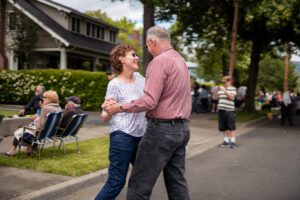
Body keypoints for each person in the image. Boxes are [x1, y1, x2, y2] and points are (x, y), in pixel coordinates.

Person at [102, 26, 191, 200]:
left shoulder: (158, 62)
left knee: (139, 184)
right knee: (176, 181)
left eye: (146, 46)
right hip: (182, 129)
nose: (145, 51)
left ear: (152, 42)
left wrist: (120, 107)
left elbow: (149, 101)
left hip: (161, 131)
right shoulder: (180, 60)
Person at [95, 44, 146, 200]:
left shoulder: (141, 79)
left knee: (142, 179)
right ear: (121, 59)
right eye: (132, 55)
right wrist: (107, 109)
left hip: (141, 136)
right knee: (116, 182)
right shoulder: (114, 84)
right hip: (122, 137)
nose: (137, 57)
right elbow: (105, 116)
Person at [4, 90, 61, 157]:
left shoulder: (45, 108)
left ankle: (12, 151)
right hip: (49, 133)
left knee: (21, 128)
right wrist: (41, 112)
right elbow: (48, 120)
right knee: (25, 129)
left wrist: (36, 122)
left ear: (50, 99)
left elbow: (39, 127)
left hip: (40, 134)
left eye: (45, 98)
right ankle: (29, 149)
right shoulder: (58, 108)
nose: (43, 99)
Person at [215, 75, 237, 148]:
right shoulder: (221, 89)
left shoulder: (232, 89)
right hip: (221, 109)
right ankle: (226, 141)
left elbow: (231, 97)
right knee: (223, 126)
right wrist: (216, 91)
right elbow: (216, 98)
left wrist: (224, 90)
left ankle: (233, 141)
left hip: (229, 110)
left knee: (231, 126)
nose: (224, 83)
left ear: (229, 81)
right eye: (223, 82)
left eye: (225, 82)